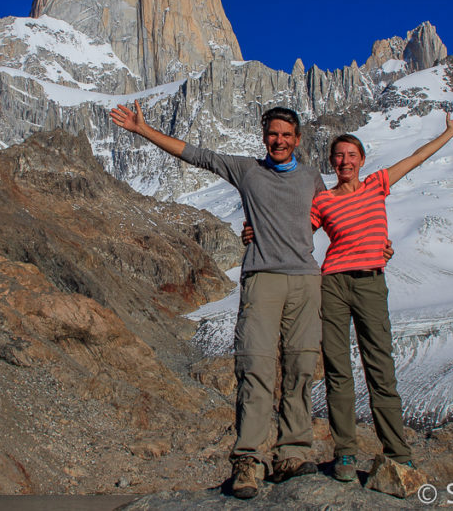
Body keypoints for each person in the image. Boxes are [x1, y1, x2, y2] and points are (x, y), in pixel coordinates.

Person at [110, 101, 324, 499]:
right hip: (262, 278)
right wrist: (143, 131)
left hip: (305, 281)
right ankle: (248, 460)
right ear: (265, 137)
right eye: (273, 134)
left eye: (286, 135)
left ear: (297, 140)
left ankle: (293, 453)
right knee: (255, 366)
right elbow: (196, 155)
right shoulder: (247, 170)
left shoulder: (312, 178)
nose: (279, 140)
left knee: (300, 364)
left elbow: (330, 216)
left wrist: (377, 242)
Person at [246, 111, 453, 481]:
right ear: (331, 162)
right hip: (332, 284)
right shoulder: (322, 201)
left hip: (369, 283)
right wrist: (252, 233)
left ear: (362, 161)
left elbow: (414, 159)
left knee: (381, 369)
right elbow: (291, 231)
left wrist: (448, 133)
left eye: (351, 155)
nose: (345, 161)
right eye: (339, 156)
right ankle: (346, 453)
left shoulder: (377, 185)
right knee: (338, 371)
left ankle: (398, 451)